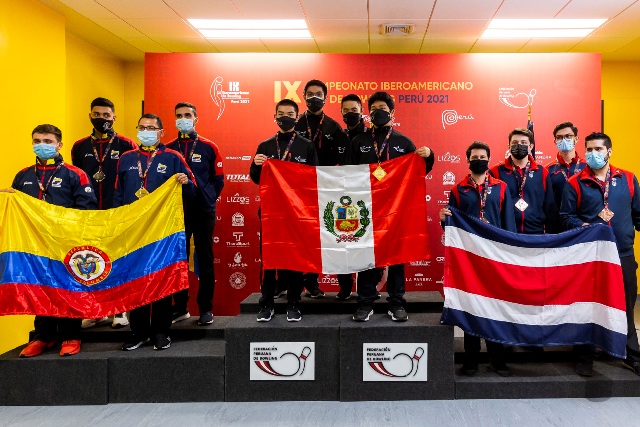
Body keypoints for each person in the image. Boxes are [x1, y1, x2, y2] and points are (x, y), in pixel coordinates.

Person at [11, 124, 97, 357]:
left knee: (68, 288)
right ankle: (44, 336)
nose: (42, 145)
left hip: (66, 243)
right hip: (34, 245)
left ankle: (70, 335)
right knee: (40, 288)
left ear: (59, 145)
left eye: (48, 141)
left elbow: (86, 209)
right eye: (37, 140)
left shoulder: (74, 174)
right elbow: (18, 212)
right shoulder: (23, 176)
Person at [349, 91, 435, 322]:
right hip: (365, 210)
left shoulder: (403, 142)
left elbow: (418, 174)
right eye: (374, 108)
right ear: (369, 113)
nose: (378, 112)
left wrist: (428, 156)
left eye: (383, 109)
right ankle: (365, 302)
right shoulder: (359, 142)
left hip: (396, 210)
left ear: (392, 112)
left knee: (398, 255)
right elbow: (345, 175)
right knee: (365, 255)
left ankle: (396, 301)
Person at [560, 132, 640, 377]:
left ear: (609, 151)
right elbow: (565, 216)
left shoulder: (627, 178)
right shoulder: (575, 182)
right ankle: (585, 357)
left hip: (622, 253)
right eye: (589, 149)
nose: (593, 154)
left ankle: (631, 355)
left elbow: (638, 214)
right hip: (590, 256)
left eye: (598, 149)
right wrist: (582, 227)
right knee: (587, 306)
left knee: (625, 305)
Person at [115, 113, 195, 351]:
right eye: (142, 127)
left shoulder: (173, 157)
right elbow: (118, 194)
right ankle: (138, 332)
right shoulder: (126, 158)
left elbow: (191, 193)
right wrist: (118, 222)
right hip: (134, 230)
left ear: (161, 132)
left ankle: (161, 331)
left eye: (151, 128)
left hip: (164, 231)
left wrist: (185, 182)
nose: (146, 131)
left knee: (161, 281)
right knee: (136, 281)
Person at [439, 141, 515, 377]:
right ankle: (470, 359)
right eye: (474, 156)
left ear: (489, 159)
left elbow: (509, 225)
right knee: (471, 305)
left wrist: (508, 255)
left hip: (494, 257)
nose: (479, 159)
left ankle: (497, 359)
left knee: (494, 307)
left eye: (483, 156)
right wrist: (443, 218)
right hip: (469, 259)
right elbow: (453, 226)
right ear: (468, 160)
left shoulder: (501, 187)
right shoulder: (457, 189)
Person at [71, 97, 137, 330]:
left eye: (106, 115)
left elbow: (135, 178)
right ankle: (97, 311)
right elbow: (76, 180)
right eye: (97, 115)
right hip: (89, 213)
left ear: (114, 117)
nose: (102, 119)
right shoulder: (79, 147)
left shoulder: (127, 144)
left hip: (117, 211)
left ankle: (120, 311)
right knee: (92, 260)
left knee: (119, 260)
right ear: (90, 116)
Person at [251, 99, 319, 322]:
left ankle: (293, 303)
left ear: (297, 116)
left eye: (290, 113)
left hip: (296, 212)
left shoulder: (307, 145)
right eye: (281, 113)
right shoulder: (265, 146)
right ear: (275, 116)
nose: (285, 117)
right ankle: (267, 303)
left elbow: (314, 178)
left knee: (295, 258)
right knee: (269, 259)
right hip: (271, 212)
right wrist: (256, 165)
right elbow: (255, 178)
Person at [167, 102, 225, 326]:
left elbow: (218, 179)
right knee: (177, 261)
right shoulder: (168, 148)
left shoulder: (209, 147)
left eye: (187, 115)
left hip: (202, 211)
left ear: (196, 118)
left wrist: (207, 199)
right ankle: (180, 307)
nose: (183, 118)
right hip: (175, 213)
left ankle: (206, 308)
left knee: (205, 258)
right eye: (179, 115)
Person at [295, 79, 350, 298]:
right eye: (310, 94)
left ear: (326, 98)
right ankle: (307, 282)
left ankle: (344, 284)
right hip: (300, 191)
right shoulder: (296, 124)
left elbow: (344, 160)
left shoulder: (334, 127)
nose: (314, 97)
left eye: (318, 94)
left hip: (330, 189)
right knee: (304, 238)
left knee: (335, 234)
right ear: (304, 96)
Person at [489, 128, 555, 234]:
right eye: (515, 143)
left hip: (535, 235)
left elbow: (550, 207)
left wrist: (551, 237)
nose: (519, 145)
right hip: (504, 234)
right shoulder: (495, 172)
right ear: (509, 147)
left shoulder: (542, 172)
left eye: (523, 143)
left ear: (531, 147)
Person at [545, 121, 587, 233]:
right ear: (555, 141)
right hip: (556, 227)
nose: (563, 140)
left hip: (583, 225)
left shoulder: (587, 167)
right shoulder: (547, 170)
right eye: (559, 137)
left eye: (568, 136)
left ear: (576, 139)